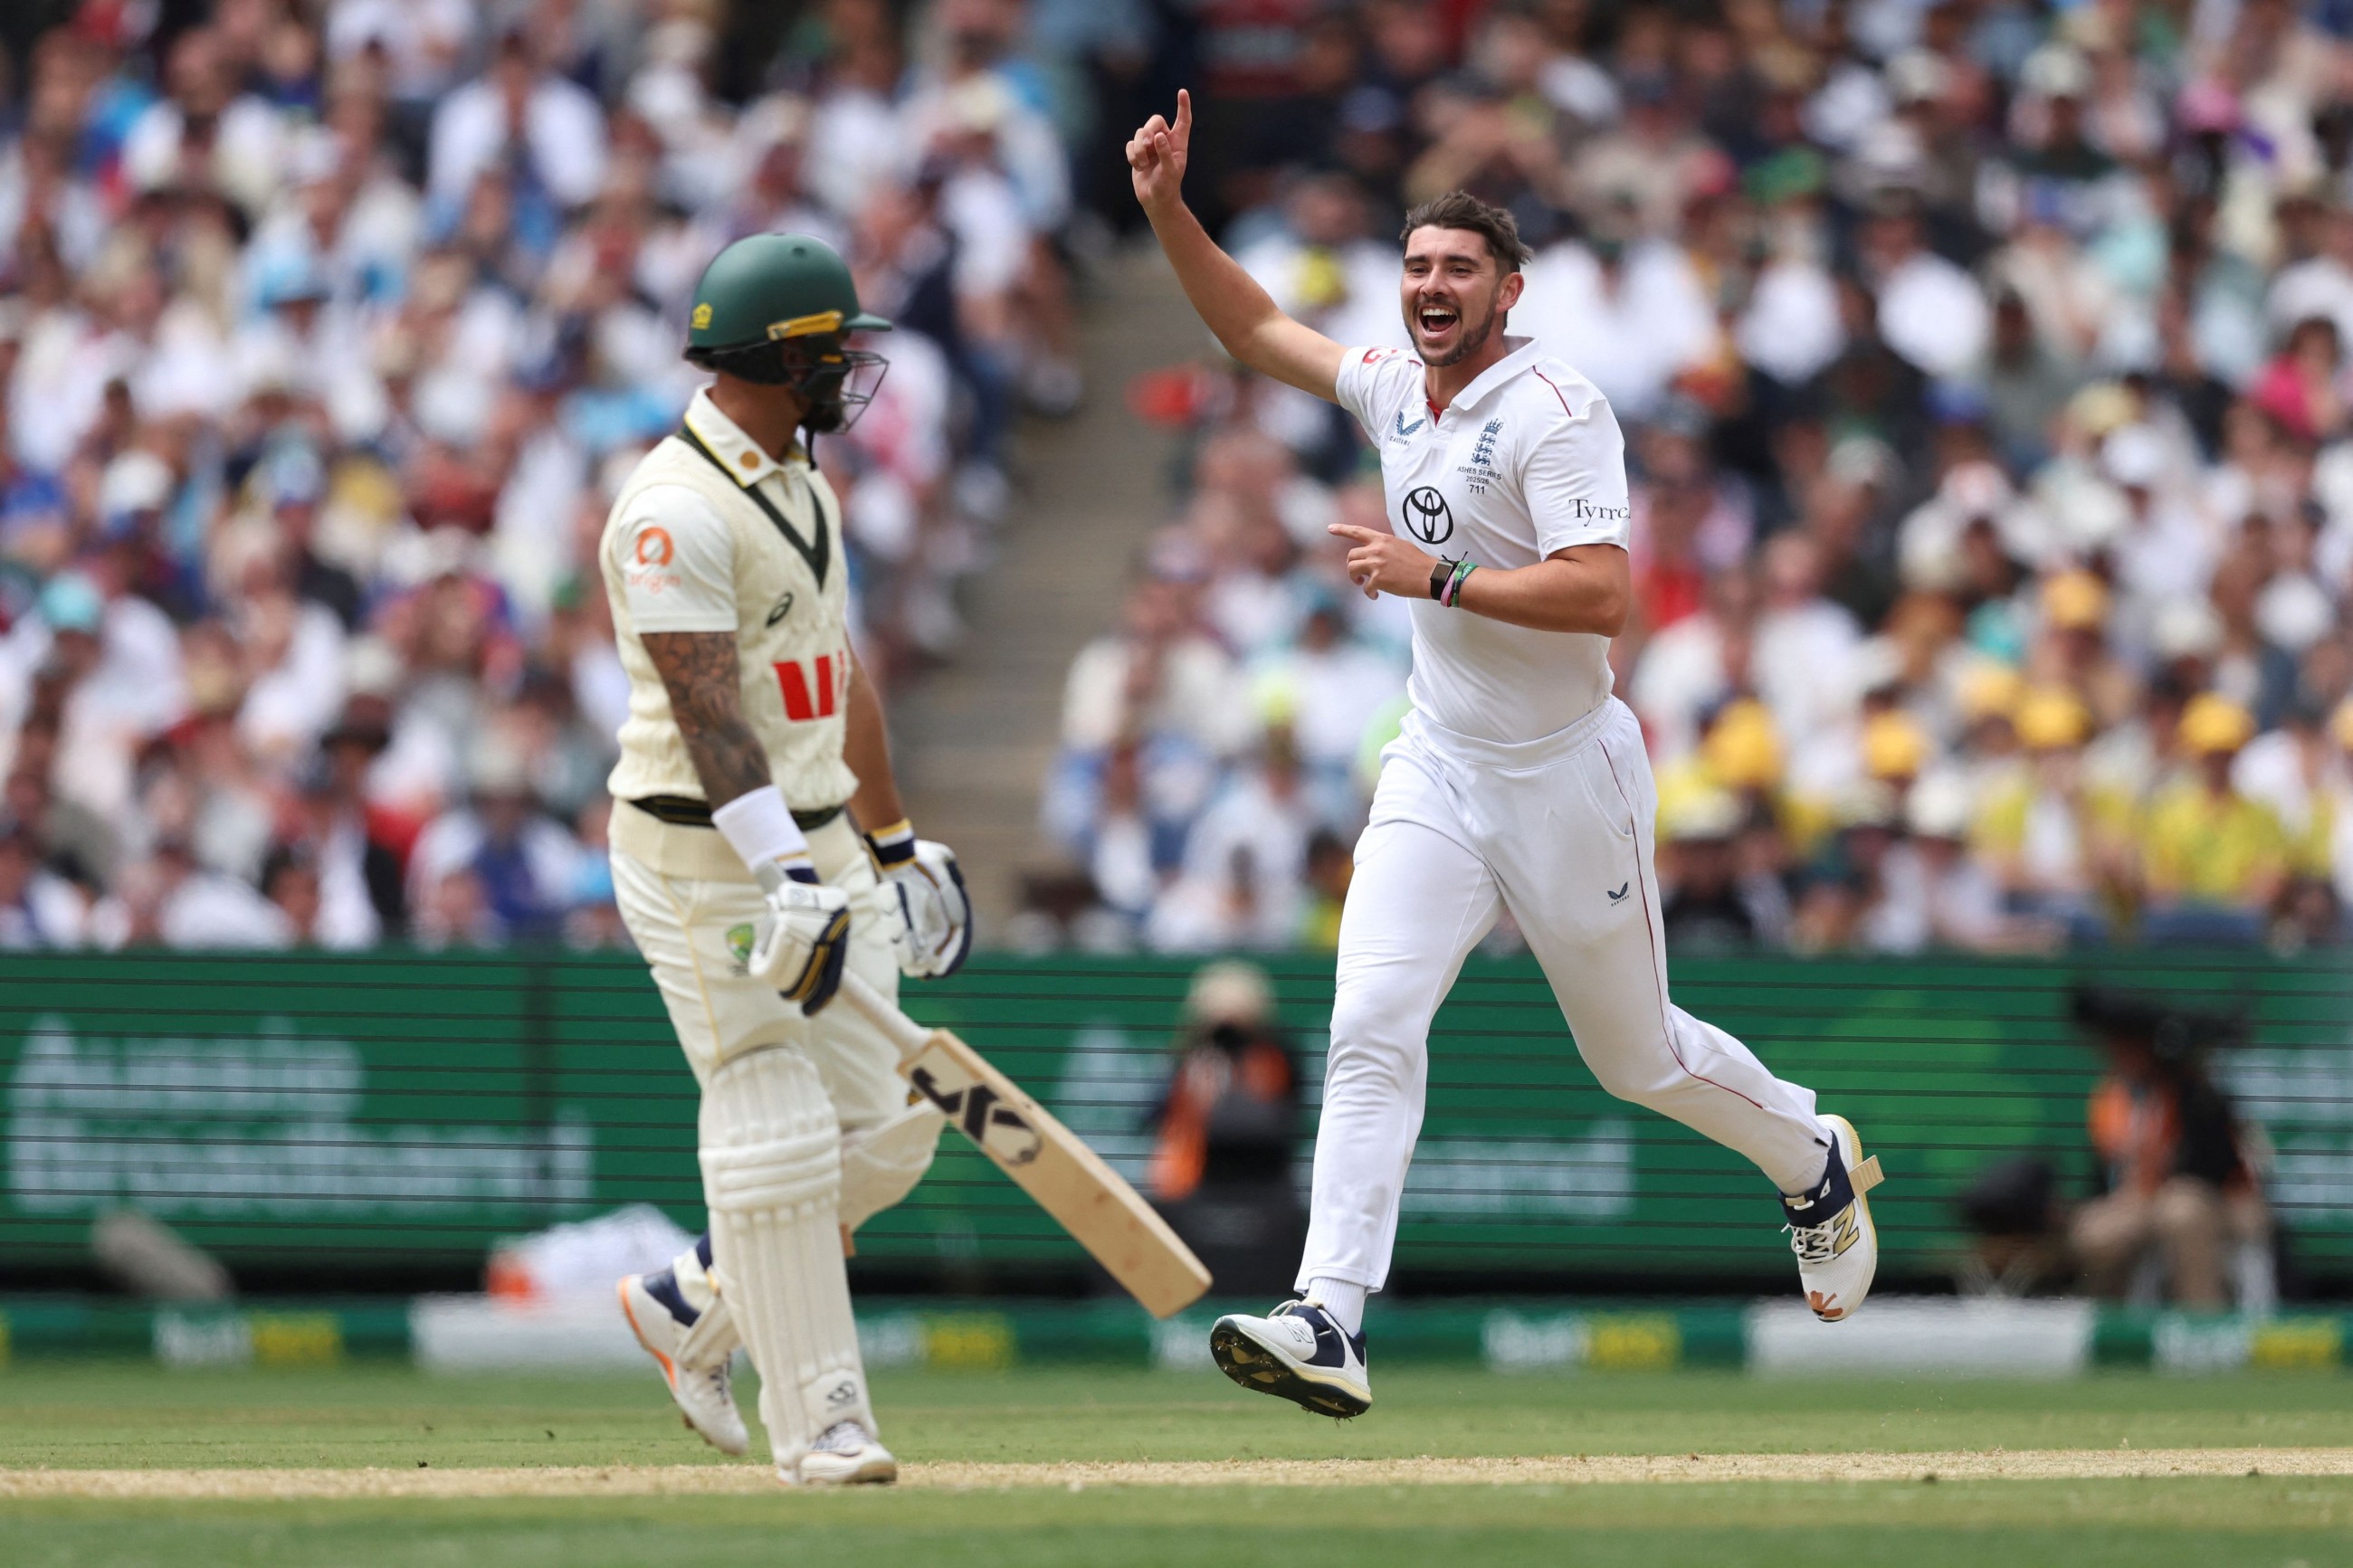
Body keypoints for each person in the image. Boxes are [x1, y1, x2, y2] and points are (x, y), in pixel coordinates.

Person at [1126, 94, 1884, 1421]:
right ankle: (1331, 1314)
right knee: (1368, 1022)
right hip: (1438, 766)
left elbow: (1603, 595)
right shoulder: (1387, 387)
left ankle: (1808, 1153)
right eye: (1417, 267)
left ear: (1508, 290)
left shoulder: (1558, 406)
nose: (1431, 287)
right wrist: (1166, 210)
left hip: (1566, 770)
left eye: (1457, 271)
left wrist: (1440, 576)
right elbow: (1250, 327)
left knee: (1636, 1058)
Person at [599, 235, 975, 1487]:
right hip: (706, 852)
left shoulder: (803, 487)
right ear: (779, 360)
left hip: (817, 836)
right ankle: (822, 1423)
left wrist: (891, 837)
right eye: (834, 353)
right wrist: (785, 875)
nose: (850, 374)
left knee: (898, 1120)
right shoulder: (671, 513)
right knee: (773, 1121)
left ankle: (692, 1300)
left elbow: (836, 675)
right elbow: (710, 719)